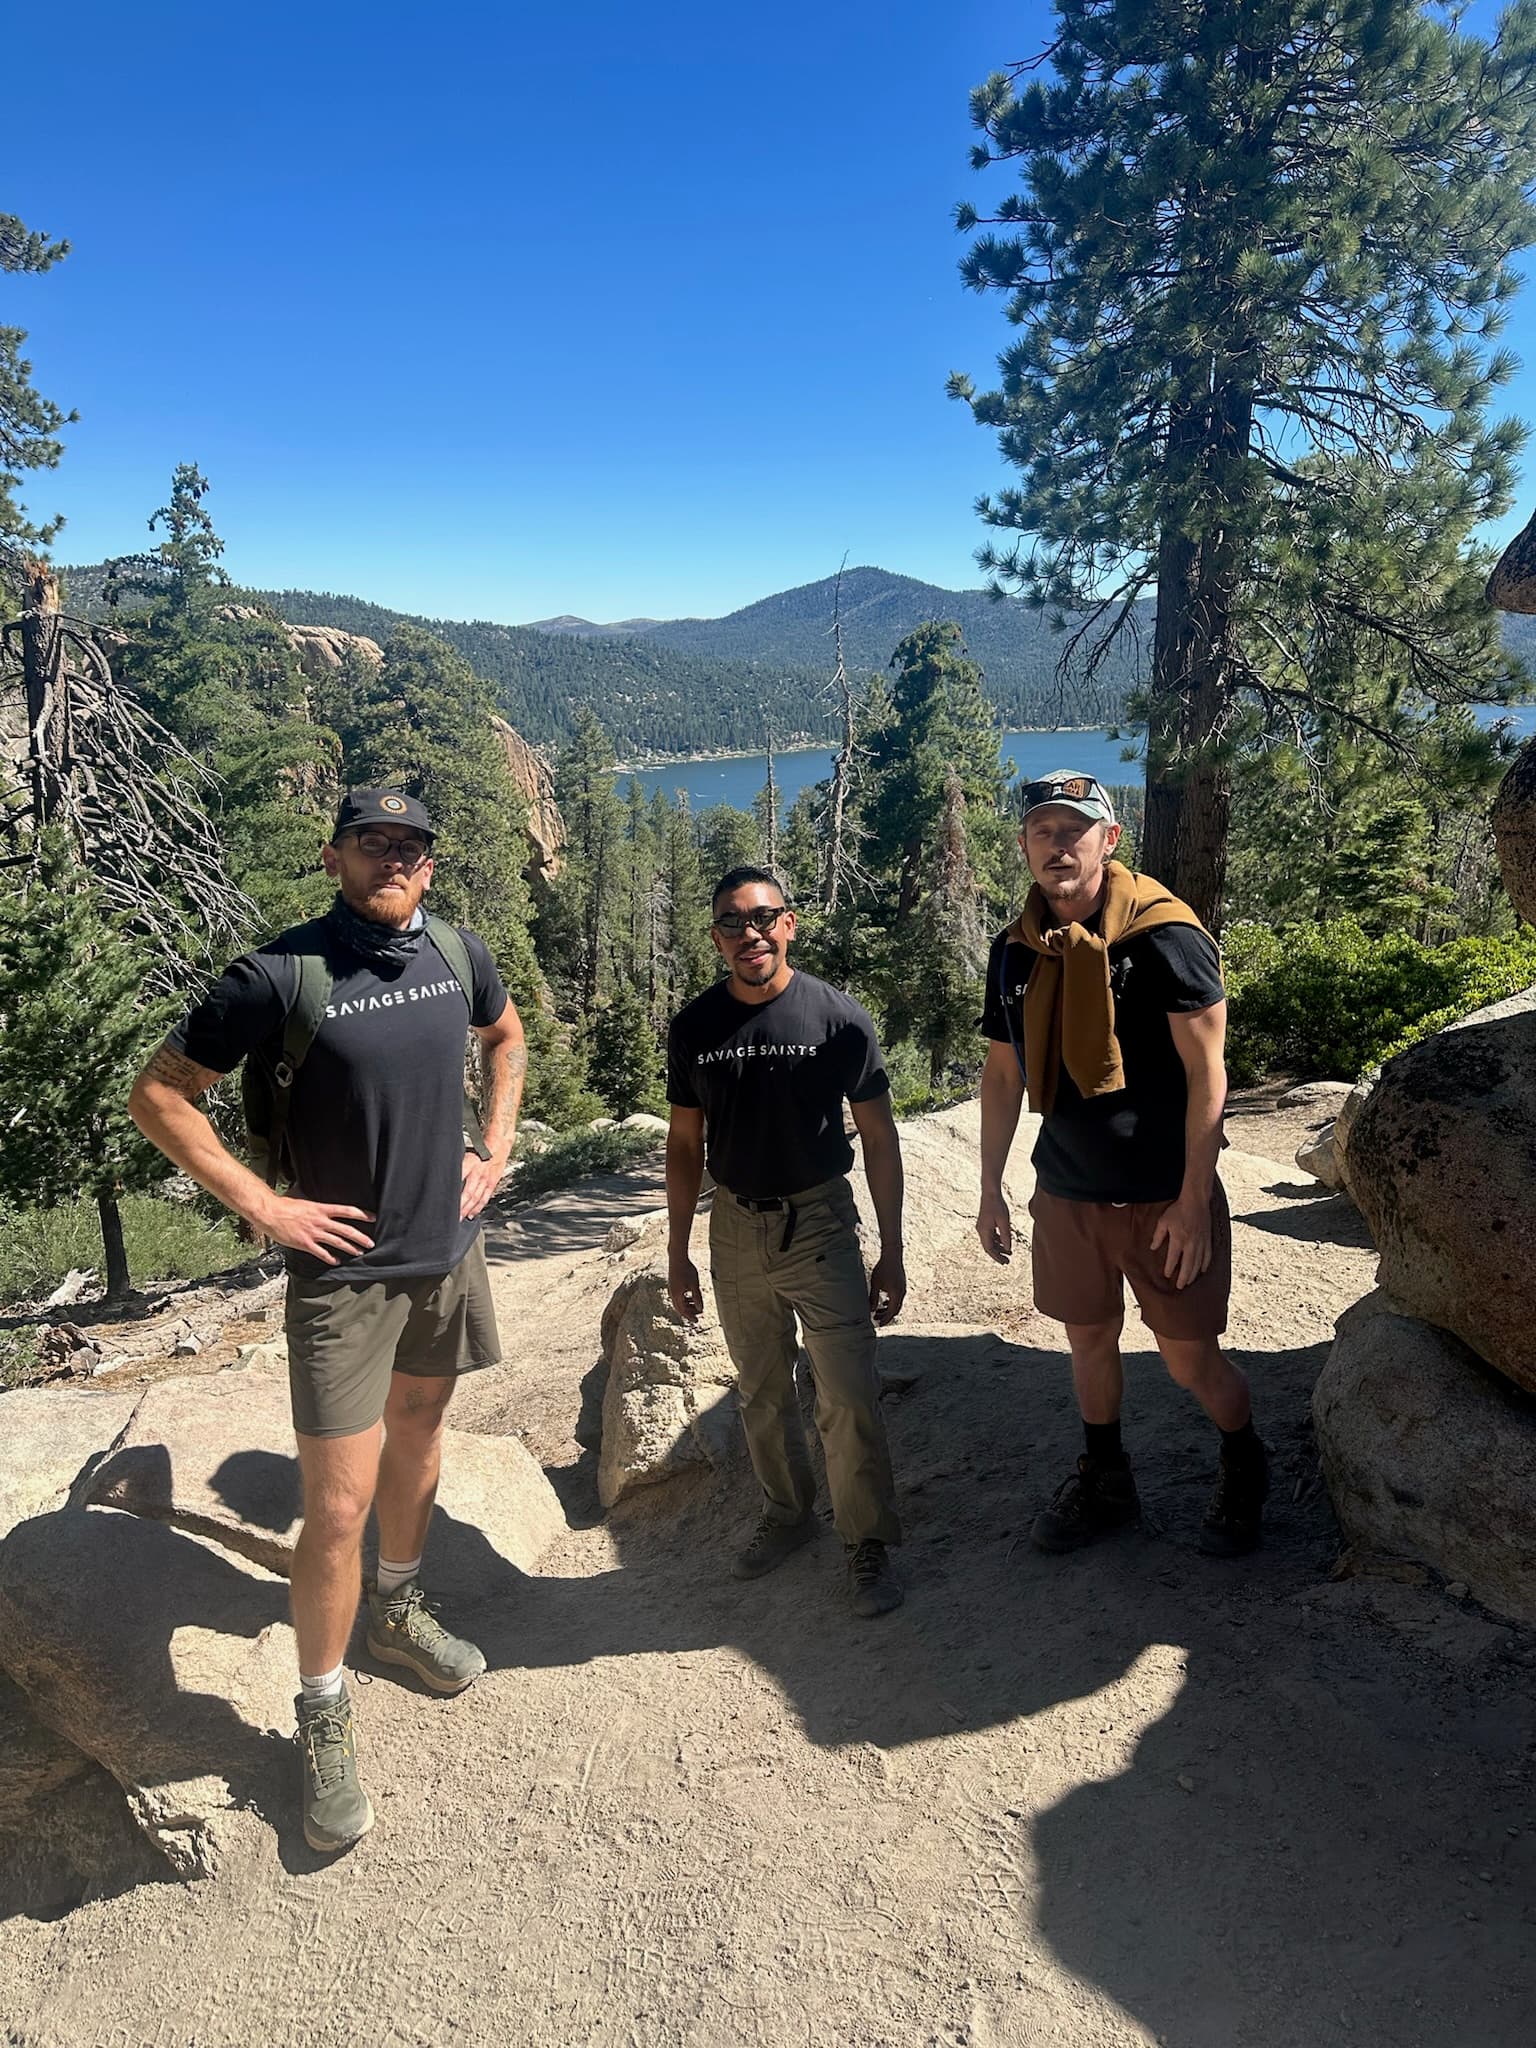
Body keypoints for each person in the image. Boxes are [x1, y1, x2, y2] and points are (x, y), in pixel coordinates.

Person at [129, 788, 525, 1855]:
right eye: (372, 843)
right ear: (335, 855)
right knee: (336, 1509)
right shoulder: (281, 973)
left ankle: (393, 1607)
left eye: (410, 846)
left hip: (446, 1254)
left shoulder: (454, 948)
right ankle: (322, 1704)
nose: (393, 859)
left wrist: (492, 1146)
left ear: (430, 866)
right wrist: (263, 1206)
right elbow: (159, 1094)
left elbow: (508, 1036)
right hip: (343, 1281)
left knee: (424, 1442)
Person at [975, 771, 1268, 1557]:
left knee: (1189, 1359)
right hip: (1068, 1189)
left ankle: (1245, 1461)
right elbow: (1004, 1075)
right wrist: (991, 1188)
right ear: (1025, 846)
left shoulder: (1166, 938)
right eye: (1043, 830)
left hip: (1161, 1193)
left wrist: (1191, 1200)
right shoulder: (1016, 953)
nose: (1058, 844)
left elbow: (1210, 1072)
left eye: (1075, 829)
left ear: (1109, 840)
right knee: (1089, 1341)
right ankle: (1106, 1479)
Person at [665, 866, 907, 1619]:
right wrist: (677, 1252)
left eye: (764, 918)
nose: (751, 934)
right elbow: (682, 1144)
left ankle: (865, 1541)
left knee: (845, 1390)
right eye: (733, 923)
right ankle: (788, 1512)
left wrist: (891, 1249)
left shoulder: (837, 1019)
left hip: (820, 1222)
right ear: (716, 938)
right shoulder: (696, 1027)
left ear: (790, 925)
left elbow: (878, 1135)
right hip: (735, 1224)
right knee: (760, 1388)